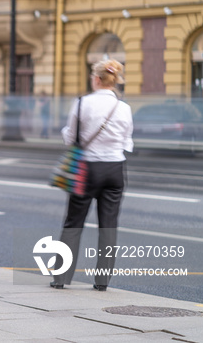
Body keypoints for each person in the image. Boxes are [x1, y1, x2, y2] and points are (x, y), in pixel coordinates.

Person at [50, 59, 133, 291]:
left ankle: (60, 278)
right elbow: (128, 142)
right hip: (115, 170)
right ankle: (102, 282)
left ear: (96, 79)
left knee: (74, 223)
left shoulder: (81, 103)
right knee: (108, 227)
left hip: (86, 169)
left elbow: (71, 137)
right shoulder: (124, 108)